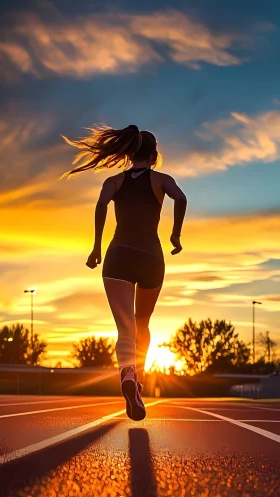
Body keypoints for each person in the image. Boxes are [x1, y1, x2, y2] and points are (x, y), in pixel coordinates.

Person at [62, 124, 187, 421]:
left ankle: (128, 373)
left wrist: (96, 247)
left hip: (118, 255)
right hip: (151, 256)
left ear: (129, 154)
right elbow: (181, 198)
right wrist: (176, 235)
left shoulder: (114, 181)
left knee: (125, 327)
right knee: (142, 320)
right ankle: (138, 381)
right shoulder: (161, 180)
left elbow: (101, 204)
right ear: (154, 155)